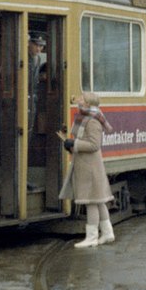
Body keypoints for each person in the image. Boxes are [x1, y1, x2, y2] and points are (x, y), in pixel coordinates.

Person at [59, 93, 116, 247]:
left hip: (89, 167)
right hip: (87, 165)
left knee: (91, 201)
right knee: (99, 202)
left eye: (82, 99)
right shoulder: (86, 118)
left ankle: (91, 238)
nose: (78, 101)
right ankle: (107, 233)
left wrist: (74, 143)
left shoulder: (92, 121)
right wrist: (70, 144)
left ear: (89, 104)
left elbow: (94, 145)